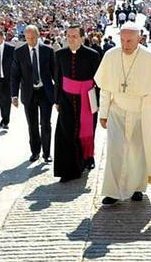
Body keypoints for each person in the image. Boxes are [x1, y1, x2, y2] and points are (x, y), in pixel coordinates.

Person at [95, 21, 151, 206]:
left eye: (130, 41)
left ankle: (138, 188)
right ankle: (112, 192)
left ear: (140, 38)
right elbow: (105, 89)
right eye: (122, 40)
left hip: (143, 111)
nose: (125, 45)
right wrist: (103, 113)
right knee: (115, 151)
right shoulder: (110, 56)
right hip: (117, 110)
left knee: (138, 152)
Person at [54, 24, 101, 182]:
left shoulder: (93, 55)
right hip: (66, 100)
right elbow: (58, 78)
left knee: (86, 132)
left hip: (87, 100)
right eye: (68, 36)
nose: (71, 39)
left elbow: (99, 81)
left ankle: (87, 159)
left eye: (74, 36)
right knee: (67, 133)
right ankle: (69, 168)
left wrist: (99, 102)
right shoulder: (60, 54)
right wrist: (57, 100)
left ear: (82, 38)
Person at [11, 25, 55, 163]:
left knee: (45, 124)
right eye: (28, 38)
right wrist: (14, 95)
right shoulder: (19, 52)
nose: (30, 40)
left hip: (45, 92)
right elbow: (15, 75)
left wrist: (58, 95)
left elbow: (55, 73)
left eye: (33, 37)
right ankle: (35, 152)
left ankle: (47, 153)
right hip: (29, 93)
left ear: (38, 36)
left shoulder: (47, 51)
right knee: (32, 125)